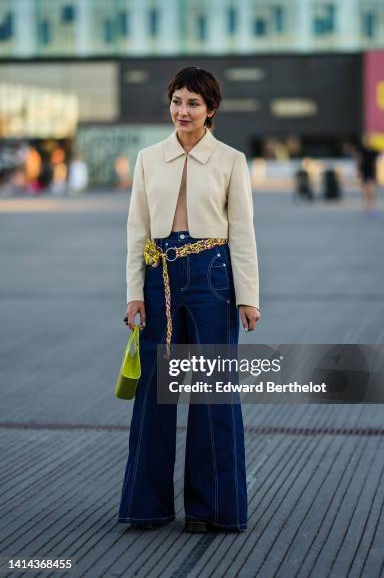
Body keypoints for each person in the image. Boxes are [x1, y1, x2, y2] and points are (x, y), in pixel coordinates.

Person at [117, 66, 260, 534]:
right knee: (155, 391)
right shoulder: (148, 158)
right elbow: (136, 230)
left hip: (213, 276)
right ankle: (146, 506)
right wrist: (134, 292)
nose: (183, 111)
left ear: (210, 110)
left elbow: (242, 234)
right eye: (177, 101)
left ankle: (214, 508)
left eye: (193, 104)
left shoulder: (230, 161)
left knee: (213, 393)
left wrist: (249, 297)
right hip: (158, 275)